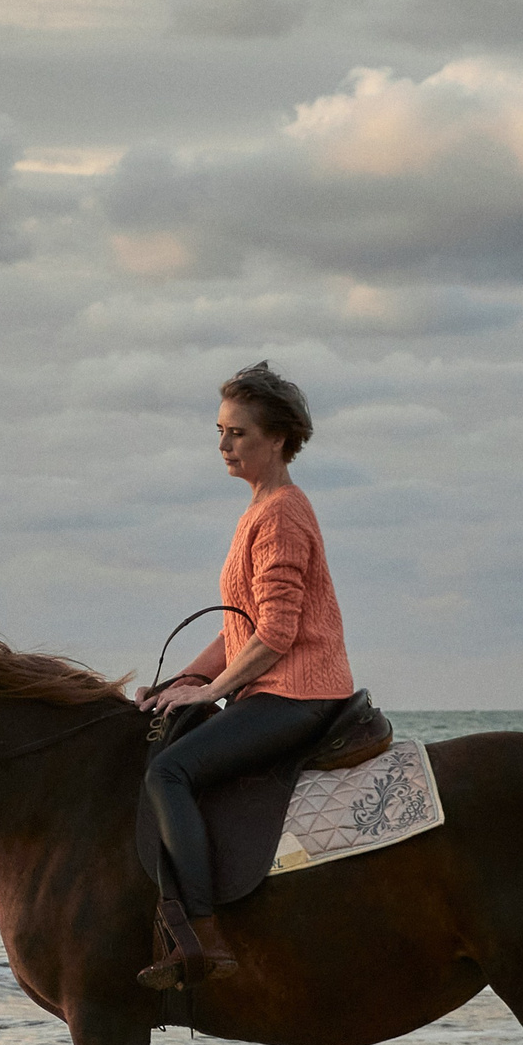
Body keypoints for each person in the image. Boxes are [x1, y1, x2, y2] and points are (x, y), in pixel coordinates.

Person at [134, 362, 356, 990]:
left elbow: (278, 633)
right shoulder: (260, 509)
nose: (224, 445)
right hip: (273, 687)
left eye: (239, 433)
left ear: (278, 439)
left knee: (168, 770)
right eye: (221, 431)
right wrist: (181, 680)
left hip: (299, 694)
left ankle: (202, 936)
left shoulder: (281, 513)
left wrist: (216, 690)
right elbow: (241, 625)